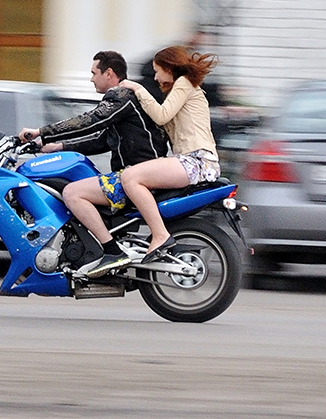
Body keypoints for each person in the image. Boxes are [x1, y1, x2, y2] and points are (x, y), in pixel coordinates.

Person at [18, 51, 170, 273]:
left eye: (93, 73)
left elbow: (90, 121)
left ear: (109, 73)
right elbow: (103, 140)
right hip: (142, 174)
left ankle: (111, 251)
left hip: (137, 177)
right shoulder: (125, 99)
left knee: (72, 193)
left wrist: (41, 131)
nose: (91, 79)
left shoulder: (121, 96)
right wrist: (57, 147)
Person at [76, 44, 221, 277]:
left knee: (131, 177)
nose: (155, 76)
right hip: (191, 160)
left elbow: (161, 115)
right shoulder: (179, 89)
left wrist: (136, 88)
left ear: (169, 67)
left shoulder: (184, 83)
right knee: (134, 175)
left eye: (157, 70)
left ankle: (160, 235)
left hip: (196, 161)